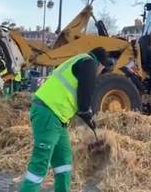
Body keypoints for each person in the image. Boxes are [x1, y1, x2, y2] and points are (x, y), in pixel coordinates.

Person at [20, 47, 111, 192]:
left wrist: (87, 116)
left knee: (64, 160)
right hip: (48, 113)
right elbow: (84, 96)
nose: (100, 73)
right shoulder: (89, 64)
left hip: (57, 119)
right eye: (102, 70)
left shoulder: (80, 59)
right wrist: (87, 115)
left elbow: (78, 99)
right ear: (100, 64)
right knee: (40, 164)